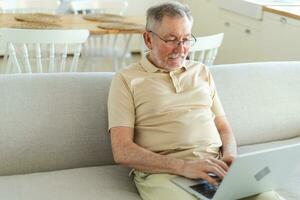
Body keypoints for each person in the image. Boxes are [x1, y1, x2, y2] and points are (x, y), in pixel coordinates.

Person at [108, 2, 284, 200]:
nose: (181, 49)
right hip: (164, 173)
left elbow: (223, 127)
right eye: (171, 39)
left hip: (213, 167)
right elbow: (122, 150)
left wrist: (230, 158)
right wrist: (184, 167)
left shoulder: (201, 71)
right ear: (148, 39)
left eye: (186, 39)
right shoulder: (126, 79)